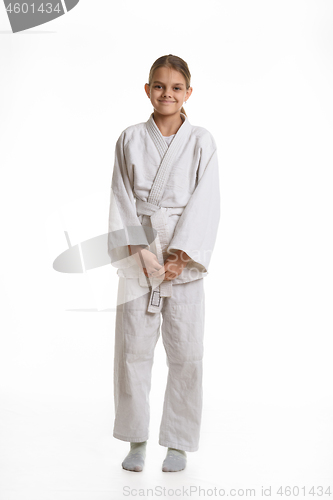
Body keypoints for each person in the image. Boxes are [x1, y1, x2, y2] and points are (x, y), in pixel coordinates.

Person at [107, 54, 220, 472]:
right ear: (147, 89)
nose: (166, 93)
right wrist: (141, 252)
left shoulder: (202, 141)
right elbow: (120, 197)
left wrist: (179, 257)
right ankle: (136, 439)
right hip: (138, 252)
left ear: (188, 92)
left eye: (175, 87)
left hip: (183, 257)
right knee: (132, 350)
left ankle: (177, 442)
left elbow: (207, 202)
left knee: (187, 352)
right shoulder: (130, 138)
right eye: (159, 85)